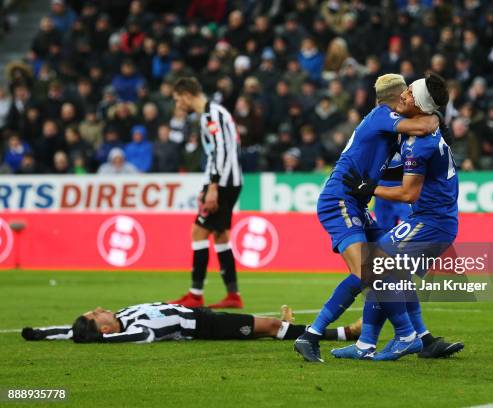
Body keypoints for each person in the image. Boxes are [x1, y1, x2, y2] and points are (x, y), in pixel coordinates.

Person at [293, 73, 441, 363]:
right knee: (366, 271)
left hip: (356, 204)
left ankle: (421, 338)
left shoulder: (385, 127)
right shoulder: (381, 116)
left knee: (392, 266)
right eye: (407, 93)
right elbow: (423, 127)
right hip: (339, 200)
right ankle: (310, 335)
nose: (409, 97)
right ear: (398, 98)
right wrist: (433, 114)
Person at [337, 74, 463, 361]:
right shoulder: (420, 134)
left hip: (431, 222)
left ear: (418, 103)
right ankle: (405, 341)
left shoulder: (420, 143)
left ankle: (397, 339)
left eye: (408, 93)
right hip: (434, 220)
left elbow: (408, 193)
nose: (402, 97)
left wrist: (370, 188)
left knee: (377, 265)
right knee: (393, 274)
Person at [169, 77, 244, 309]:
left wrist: (212, 187)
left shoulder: (212, 114)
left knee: (198, 232)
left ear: (186, 95)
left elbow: (221, 149)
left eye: (177, 99)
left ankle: (195, 293)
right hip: (225, 180)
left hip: (222, 182)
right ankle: (233, 295)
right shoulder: (213, 113)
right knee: (220, 235)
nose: (177, 104)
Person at [21, 304, 361, 344]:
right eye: (96, 317)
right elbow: (145, 337)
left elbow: (69, 332)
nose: (98, 309)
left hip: (199, 314)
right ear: (106, 330)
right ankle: (345, 333)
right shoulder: (136, 330)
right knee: (270, 327)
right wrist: (102, 341)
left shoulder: (121, 318)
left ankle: (292, 327)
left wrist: (38, 333)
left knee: (272, 326)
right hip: (205, 326)